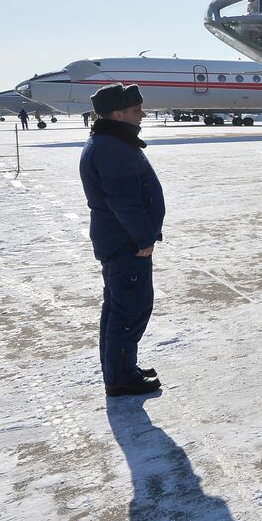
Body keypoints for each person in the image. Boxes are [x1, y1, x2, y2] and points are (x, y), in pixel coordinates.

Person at [79, 83, 165, 397]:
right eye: (135, 110)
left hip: (118, 239)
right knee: (130, 310)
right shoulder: (112, 147)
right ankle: (120, 377)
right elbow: (124, 201)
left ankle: (120, 369)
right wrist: (144, 238)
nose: (142, 115)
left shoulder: (108, 141)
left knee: (118, 308)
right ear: (117, 114)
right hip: (126, 242)